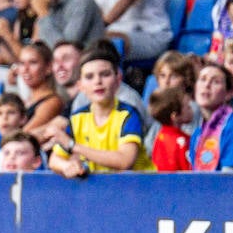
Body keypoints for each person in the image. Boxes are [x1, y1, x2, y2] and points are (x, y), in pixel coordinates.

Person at [47, 44, 156, 177]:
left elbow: (124, 161)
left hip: (138, 191)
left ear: (118, 79)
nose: (98, 81)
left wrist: (73, 146)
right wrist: (68, 166)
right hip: (102, 191)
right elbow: (54, 160)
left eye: (105, 74)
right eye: (89, 77)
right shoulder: (78, 118)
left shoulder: (128, 114)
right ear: (80, 85)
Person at [189, 62, 233, 170]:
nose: (207, 85)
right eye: (203, 79)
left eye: (216, 82)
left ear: (228, 93)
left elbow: (230, 180)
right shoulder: (198, 133)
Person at [148, 86, 194, 171]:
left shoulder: (160, 136)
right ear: (175, 116)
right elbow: (188, 172)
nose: (191, 109)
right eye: (187, 107)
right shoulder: (182, 141)